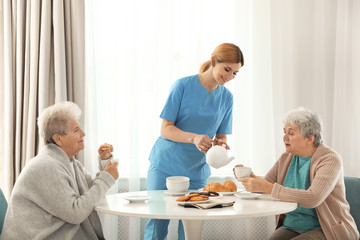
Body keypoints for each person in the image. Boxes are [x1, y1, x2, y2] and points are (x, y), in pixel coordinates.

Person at [144, 43, 244, 240]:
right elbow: (166, 129)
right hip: (165, 166)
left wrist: (220, 145)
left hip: (196, 172)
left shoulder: (227, 98)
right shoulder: (182, 86)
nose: (230, 77)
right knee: (156, 227)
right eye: (227, 70)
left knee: (190, 231)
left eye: (235, 73)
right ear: (214, 61)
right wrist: (194, 137)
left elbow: (222, 136)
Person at [234, 107, 359, 240]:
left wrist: (268, 188)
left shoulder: (330, 159)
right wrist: (248, 178)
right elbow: (265, 186)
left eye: (291, 133)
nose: (284, 137)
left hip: (325, 228)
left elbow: (313, 198)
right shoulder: (286, 158)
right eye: (284, 132)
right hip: (291, 226)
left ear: (310, 138)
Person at [1, 101, 119, 240]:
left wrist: (105, 164)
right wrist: (106, 178)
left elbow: (92, 193)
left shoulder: (70, 163)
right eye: (76, 130)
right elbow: (76, 213)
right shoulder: (46, 167)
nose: (83, 134)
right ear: (58, 139)